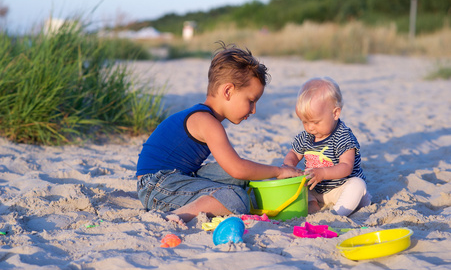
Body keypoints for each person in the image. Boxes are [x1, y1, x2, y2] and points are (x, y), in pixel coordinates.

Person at [136, 42, 303, 224]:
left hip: (177, 177)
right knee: (236, 197)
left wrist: (270, 173)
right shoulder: (207, 122)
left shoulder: (206, 117)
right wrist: (278, 171)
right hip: (157, 186)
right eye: (251, 101)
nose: (254, 110)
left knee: (238, 178)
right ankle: (176, 216)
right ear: (228, 91)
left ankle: (216, 201)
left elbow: (235, 170)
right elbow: (237, 168)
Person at [283, 77, 371, 216]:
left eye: (316, 122)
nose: (310, 127)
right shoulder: (306, 136)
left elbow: (346, 167)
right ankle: (312, 205)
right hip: (315, 189)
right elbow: (294, 153)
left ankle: (337, 214)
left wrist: (323, 173)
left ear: (335, 113)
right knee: (296, 186)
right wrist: (288, 166)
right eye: (305, 122)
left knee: (357, 185)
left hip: (341, 188)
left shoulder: (343, 136)